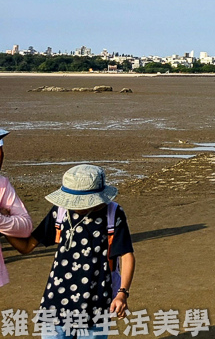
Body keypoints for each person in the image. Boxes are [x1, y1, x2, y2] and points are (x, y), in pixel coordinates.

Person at [7, 164, 135, 333]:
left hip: (96, 303)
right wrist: (4, 225)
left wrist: (122, 294)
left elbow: (126, 255)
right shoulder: (60, 211)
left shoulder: (113, 213)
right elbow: (26, 247)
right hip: (56, 302)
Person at [0, 128, 32, 289]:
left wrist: (1, 220)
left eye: (0, 149)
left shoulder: (2, 184)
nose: (0, 156)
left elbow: (25, 227)